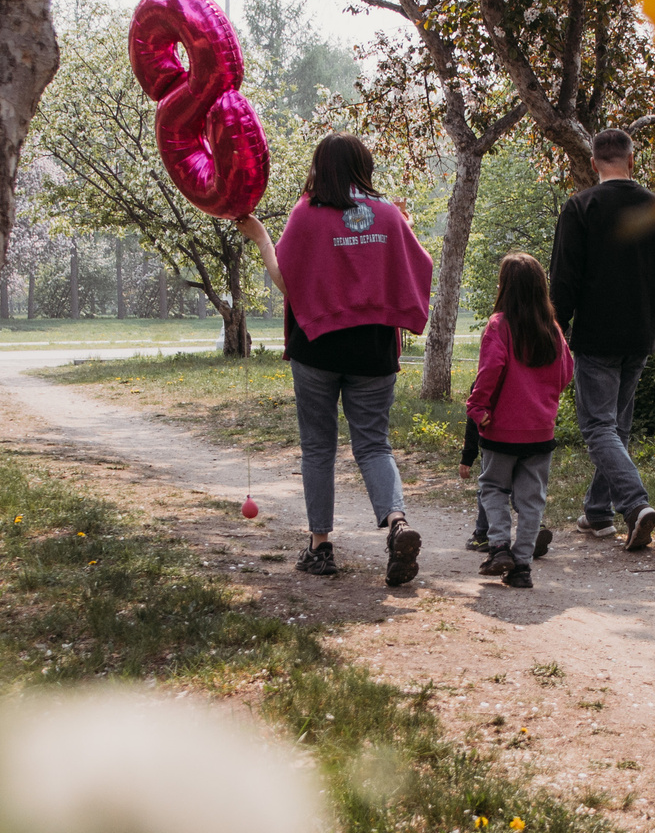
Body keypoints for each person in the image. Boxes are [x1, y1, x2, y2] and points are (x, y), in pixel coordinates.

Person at [235, 134, 435, 585]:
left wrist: (261, 236)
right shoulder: (387, 215)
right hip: (374, 349)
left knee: (319, 447)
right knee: (373, 444)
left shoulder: (306, 214)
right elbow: (419, 267)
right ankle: (397, 521)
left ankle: (320, 547)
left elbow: (288, 282)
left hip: (318, 345)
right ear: (364, 166)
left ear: (319, 167)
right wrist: (399, 229)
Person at [548, 126, 655, 552]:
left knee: (598, 426)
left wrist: (556, 327)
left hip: (597, 335)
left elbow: (563, 278)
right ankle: (597, 513)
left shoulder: (581, 207)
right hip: (640, 331)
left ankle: (634, 506)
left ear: (594, 162)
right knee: (616, 425)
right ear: (632, 160)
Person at [459, 253, 577, 589]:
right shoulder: (553, 328)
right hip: (540, 430)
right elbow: (566, 372)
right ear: (541, 288)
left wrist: (478, 406)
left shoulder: (499, 325)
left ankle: (498, 548)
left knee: (493, 487)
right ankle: (522, 565)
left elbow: (490, 370)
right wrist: (543, 400)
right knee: (531, 499)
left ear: (504, 287)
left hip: (501, 428)